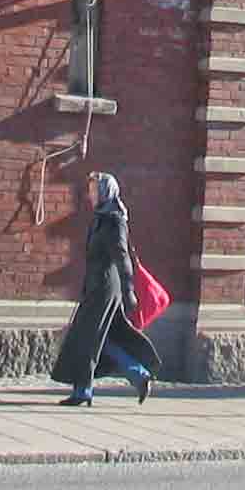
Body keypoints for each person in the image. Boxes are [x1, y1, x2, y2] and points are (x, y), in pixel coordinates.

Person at [50, 170, 161, 406]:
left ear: (105, 191)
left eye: (93, 190)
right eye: (89, 190)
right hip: (96, 287)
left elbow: (122, 257)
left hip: (106, 289)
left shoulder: (114, 220)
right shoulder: (101, 218)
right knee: (94, 338)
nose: (90, 195)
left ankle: (89, 388)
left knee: (89, 338)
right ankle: (132, 376)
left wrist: (129, 290)